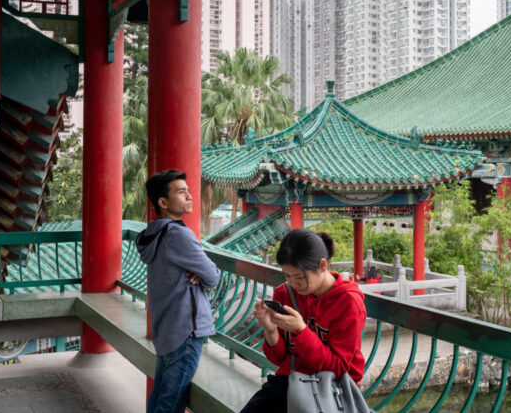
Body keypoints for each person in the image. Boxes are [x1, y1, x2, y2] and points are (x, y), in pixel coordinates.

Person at [240, 229, 368, 413]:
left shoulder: (348, 303)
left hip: (331, 389)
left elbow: (339, 367)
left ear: (323, 266)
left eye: (299, 277)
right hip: (291, 381)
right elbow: (281, 359)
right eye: (287, 276)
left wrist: (301, 331)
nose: (293, 283)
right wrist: (271, 331)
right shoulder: (285, 294)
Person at [136, 169, 220, 413]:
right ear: (163, 202)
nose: (190, 196)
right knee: (170, 403)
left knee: (161, 396)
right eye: (182, 192)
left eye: (188, 191)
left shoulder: (155, 233)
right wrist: (203, 276)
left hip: (167, 328)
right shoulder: (178, 234)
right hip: (185, 331)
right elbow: (213, 275)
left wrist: (199, 274)